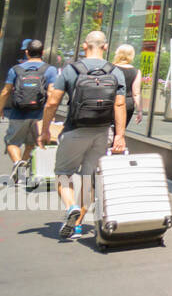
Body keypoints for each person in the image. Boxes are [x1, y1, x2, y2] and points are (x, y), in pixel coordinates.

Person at [40, 31, 127, 240]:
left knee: (63, 172)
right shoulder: (116, 72)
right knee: (89, 178)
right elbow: (120, 104)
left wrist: (45, 129)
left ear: (84, 46)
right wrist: (119, 136)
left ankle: (71, 208)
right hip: (102, 131)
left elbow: (52, 102)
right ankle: (78, 226)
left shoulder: (71, 70)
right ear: (105, 47)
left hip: (75, 130)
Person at [2, 39, 58, 185]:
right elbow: (52, 92)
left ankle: (17, 162)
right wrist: (50, 113)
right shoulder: (50, 70)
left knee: (11, 142)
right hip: (39, 114)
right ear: (43, 52)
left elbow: (6, 91)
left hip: (18, 113)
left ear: (27, 52)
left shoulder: (16, 69)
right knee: (31, 143)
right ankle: (21, 171)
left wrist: (0, 108)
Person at [112, 44, 145, 128]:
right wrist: (139, 111)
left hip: (111, 101)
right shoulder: (136, 72)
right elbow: (136, 93)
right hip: (127, 104)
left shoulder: (110, 68)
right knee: (120, 129)